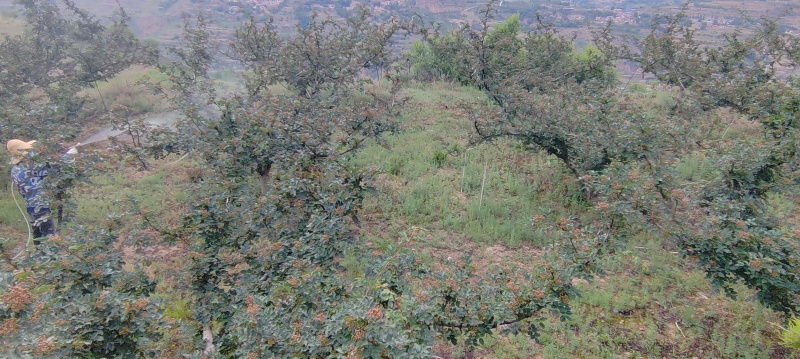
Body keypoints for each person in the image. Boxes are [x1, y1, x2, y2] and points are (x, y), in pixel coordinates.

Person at [6, 139, 77, 245]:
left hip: (31, 207)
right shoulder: (31, 167)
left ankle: (39, 258)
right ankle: (50, 260)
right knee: (49, 239)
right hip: (41, 207)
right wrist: (69, 155)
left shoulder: (14, 170)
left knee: (38, 237)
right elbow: (54, 168)